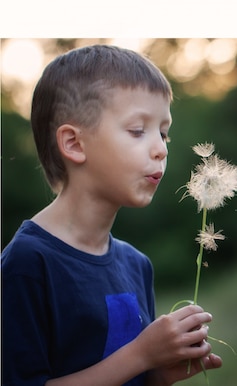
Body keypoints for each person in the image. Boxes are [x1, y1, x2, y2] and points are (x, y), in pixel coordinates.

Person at [1, 44, 222, 385]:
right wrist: (141, 354)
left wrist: (159, 374)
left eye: (164, 133)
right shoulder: (27, 265)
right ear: (74, 143)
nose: (161, 148)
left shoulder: (137, 265)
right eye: (138, 130)